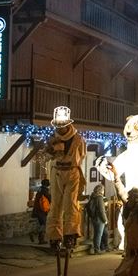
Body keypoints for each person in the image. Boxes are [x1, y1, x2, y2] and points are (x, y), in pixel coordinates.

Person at [45, 106, 87, 249]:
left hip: (72, 171)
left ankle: (71, 234)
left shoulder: (78, 139)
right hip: (57, 171)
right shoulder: (52, 138)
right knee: (55, 205)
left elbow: (81, 155)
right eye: (58, 126)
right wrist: (52, 150)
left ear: (68, 124)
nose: (60, 129)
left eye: (62, 126)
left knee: (71, 204)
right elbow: (47, 155)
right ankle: (54, 236)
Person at [88, 185, 108, 255]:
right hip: (99, 218)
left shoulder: (93, 197)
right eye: (103, 189)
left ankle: (101, 247)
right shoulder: (99, 198)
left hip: (94, 218)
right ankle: (97, 250)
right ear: (101, 190)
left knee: (97, 234)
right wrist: (105, 220)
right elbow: (101, 210)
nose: (104, 191)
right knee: (98, 235)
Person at [30, 179, 51, 244]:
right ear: (47, 184)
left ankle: (40, 239)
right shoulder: (45, 191)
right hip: (41, 210)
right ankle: (34, 234)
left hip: (37, 210)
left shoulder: (39, 189)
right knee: (44, 224)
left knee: (42, 224)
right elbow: (50, 199)